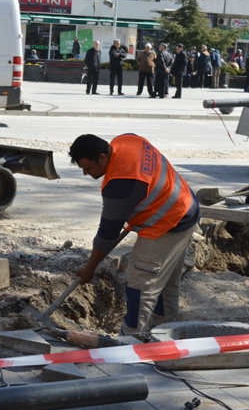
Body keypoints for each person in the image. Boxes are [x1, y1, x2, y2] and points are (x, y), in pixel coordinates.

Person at [68, 134, 200, 337]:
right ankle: (164, 332)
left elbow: (106, 236)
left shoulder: (120, 184)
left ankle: (130, 339)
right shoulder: (126, 140)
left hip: (166, 225)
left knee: (141, 283)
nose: (86, 173)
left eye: (89, 168)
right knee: (166, 281)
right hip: (186, 205)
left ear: (102, 157)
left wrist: (90, 268)